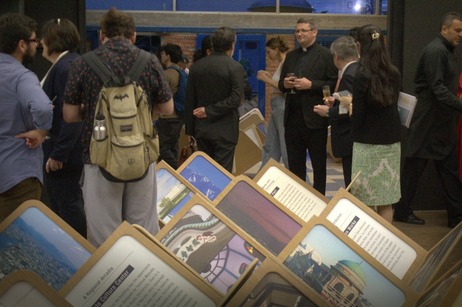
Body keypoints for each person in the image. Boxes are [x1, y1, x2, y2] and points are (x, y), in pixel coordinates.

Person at [62, 8, 174, 246]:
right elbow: (167, 108)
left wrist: (95, 111)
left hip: (98, 158)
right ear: (132, 36)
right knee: (143, 233)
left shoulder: (83, 63)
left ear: (102, 34)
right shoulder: (149, 61)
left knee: (104, 239)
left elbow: (69, 114)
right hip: (141, 156)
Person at [394, 12, 462, 228]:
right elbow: (438, 88)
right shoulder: (436, 51)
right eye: (458, 30)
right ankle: (404, 211)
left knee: (445, 169)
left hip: (438, 120)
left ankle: (456, 216)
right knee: (415, 167)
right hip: (429, 121)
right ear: (444, 29)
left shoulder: (443, 50)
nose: (461, 34)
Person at [0, 13, 53, 221]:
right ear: (21, 45)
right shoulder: (21, 76)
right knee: (16, 246)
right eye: (33, 40)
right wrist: (41, 131)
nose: (37, 44)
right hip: (18, 174)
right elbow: (43, 108)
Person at [347, 24, 402, 223]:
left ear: (361, 45)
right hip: (391, 142)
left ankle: (369, 247)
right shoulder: (393, 72)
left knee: (365, 199)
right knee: (386, 199)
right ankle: (386, 244)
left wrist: (350, 109)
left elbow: (359, 115)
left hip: (367, 143)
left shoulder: (361, 74)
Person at [278, 18, 338, 194]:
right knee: (295, 165)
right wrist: (286, 84)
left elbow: (333, 84)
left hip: (314, 118)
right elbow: (281, 84)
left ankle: (318, 198)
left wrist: (311, 85)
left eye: (303, 30)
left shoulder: (326, 55)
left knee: (319, 164)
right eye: (297, 31)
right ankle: (297, 198)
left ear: (314, 32)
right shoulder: (291, 56)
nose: (299, 34)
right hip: (293, 119)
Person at [40, 18, 86, 237]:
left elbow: (72, 115)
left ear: (52, 40)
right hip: (67, 149)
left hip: (64, 152)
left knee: (67, 204)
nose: (40, 42)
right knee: (64, 204)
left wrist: (59, 153)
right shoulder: (70, 64)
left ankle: (80, 255)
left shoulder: (65, 67)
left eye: (43, 37)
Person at [185, 27, 245, 172]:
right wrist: (209, 111)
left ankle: (205, 195)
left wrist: (189, 130)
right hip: (225, 131)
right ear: (232, 45)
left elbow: (190, 99)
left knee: (205, 173)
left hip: (202, 129)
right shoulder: (235, 67)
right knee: (222, 174)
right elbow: (236, 99)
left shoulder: (197, 67)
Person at [313, 35, 359, 187]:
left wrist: (328, 111)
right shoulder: (358, 69)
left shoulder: (349, 74)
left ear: (336, 56)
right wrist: (337, 101)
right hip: (354, 138)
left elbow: (350, 108)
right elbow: (349, 100)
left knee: (352, 183)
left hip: (349, 137)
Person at [257, 37, 289, 169]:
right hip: (276, 106)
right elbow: (279, 83)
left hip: (282, 105)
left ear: (276, 50)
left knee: (284, 144)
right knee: (270, 145)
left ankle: (298, 178)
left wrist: (266, 80)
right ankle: (263, 175)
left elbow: (285, 87)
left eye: (269, 51)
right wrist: (270, 77)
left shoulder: (287, 62)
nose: (268, 55)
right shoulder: (281, 64)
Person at [158, 43, 185, 169]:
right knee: (173, 146)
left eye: (163, 54)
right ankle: (175, 172)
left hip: (166, 117)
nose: (161, 56)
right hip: (179, 115)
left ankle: (174, 171)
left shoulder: (166, 74)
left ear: (168, 56)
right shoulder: (181, 72)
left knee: (161, 148)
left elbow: (160, 96)